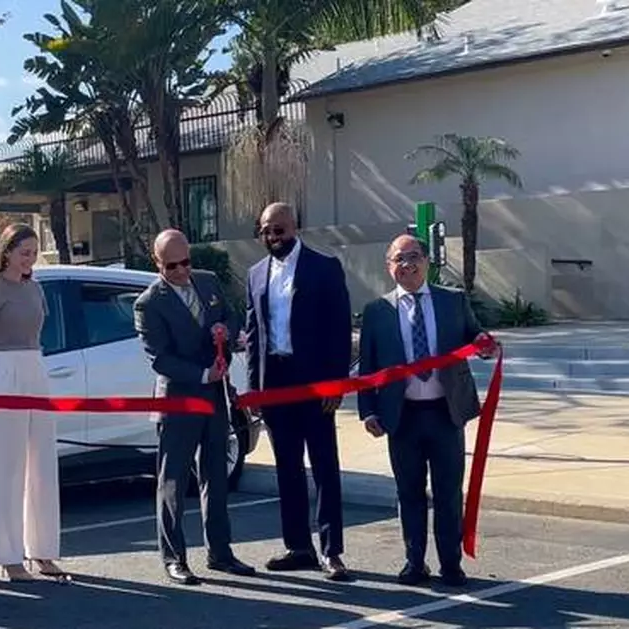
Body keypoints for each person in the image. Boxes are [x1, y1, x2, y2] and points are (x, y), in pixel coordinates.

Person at [356, 234, 498, 587]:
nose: (407, 265)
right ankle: (414, 562)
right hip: (401, 415)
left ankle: (451, 564)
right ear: (389, 268)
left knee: (449, 492)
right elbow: (368, 366)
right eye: (399, 259)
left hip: (445, 413)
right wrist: (368, 411)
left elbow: (475, 337)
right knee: (409, 492)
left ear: (427, 261)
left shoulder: (452, 301)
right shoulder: (377, 311)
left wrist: (486, 346)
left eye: (414, 257)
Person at [133, 229, 255, 586]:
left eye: (186, 262)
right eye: (172, 266)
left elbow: (232, 318)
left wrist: (225, 330)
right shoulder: (148, 303)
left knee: (216, 475)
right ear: (157, 263)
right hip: (179, 398)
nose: (182, 271)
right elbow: (160, 359)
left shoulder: (208, 281)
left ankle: (221, 552)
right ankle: (174, 558)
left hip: (215, 396)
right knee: (173, 480)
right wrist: (202, 373)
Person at [243, 202, 354, 581]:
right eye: (267, 231)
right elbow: (255, 333)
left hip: (315, 381)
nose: (274, 237)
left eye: (280, 230)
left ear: (295, 227)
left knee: (324, 466)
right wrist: (254, 390)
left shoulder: (324, 267)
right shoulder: (255, 274)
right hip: (276, 383)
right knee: (287, 468)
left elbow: (340, 330)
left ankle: (331, 551)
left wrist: (336, 381)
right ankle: (298, 547)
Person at [0, 223, 66, 582]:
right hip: (4, 370)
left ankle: (43, 551)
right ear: (6, 252)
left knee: (42, 464)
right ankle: (9, 556)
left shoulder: (36, 288)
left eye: (34, 252)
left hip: (34, 368)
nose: (30, 258)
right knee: (8, 468)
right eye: (24, 251)